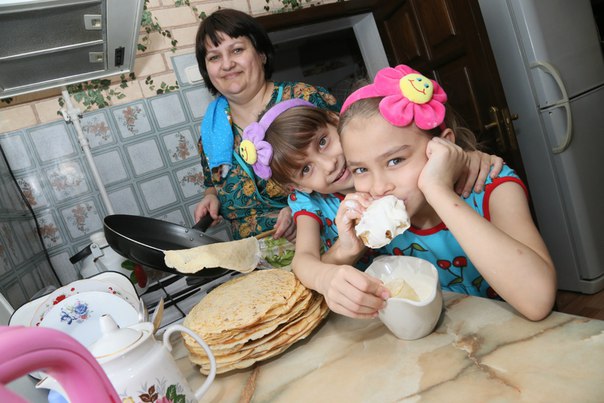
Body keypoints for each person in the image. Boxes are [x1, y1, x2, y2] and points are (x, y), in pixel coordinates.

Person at [239, 98, 506, 319]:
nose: (329, 164)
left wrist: (463, 158)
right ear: (297, 186)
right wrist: (327, 276)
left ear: (335, 121)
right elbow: (303, 261)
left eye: (322, 142)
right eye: (306, 169)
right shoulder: (312, 202)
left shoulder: (401, 181)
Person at [336, 64, 557, 321]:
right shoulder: (372, 222)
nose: (378, 187)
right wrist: (347, 250)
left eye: (395, 160)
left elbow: (538, 300)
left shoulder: (492, 187)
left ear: (443, 145)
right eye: (361, 169)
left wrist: (437, 190)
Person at [193, 8, 339, 241]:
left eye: (237, 50)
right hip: (253, 257)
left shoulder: (303, 98)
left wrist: (302, 209)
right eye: (214, 57)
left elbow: (353, 164)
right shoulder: (211, 130)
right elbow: (213, 182)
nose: (227, 64)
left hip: (322, 244)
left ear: (261, 54)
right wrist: (211, 196)